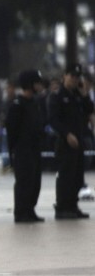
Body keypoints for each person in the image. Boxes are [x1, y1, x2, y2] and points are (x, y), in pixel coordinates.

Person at [49, 63, 93, 219]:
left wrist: (84, 94)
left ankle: (73, 206)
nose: (74, 79)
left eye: (77, 77)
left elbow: (90, 109)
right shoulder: (57, 96)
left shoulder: (77, 95)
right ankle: (62, 207)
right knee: (65, 176)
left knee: (77, 175)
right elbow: (53, 119)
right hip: (65, 141)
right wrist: (67, 134)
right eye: (72, 76)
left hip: (79, 140)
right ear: (64, 76)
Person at [5, 69, 47, 223]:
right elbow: (12, 130)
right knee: (24, 181)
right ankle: (21, 212)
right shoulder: (17, 105)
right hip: (23, 150)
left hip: (34, 148)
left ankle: (30, 210)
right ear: (29, 84)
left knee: (35, 181)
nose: (39, 85)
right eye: (36, 82)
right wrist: (13, 152)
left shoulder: (34, 103)